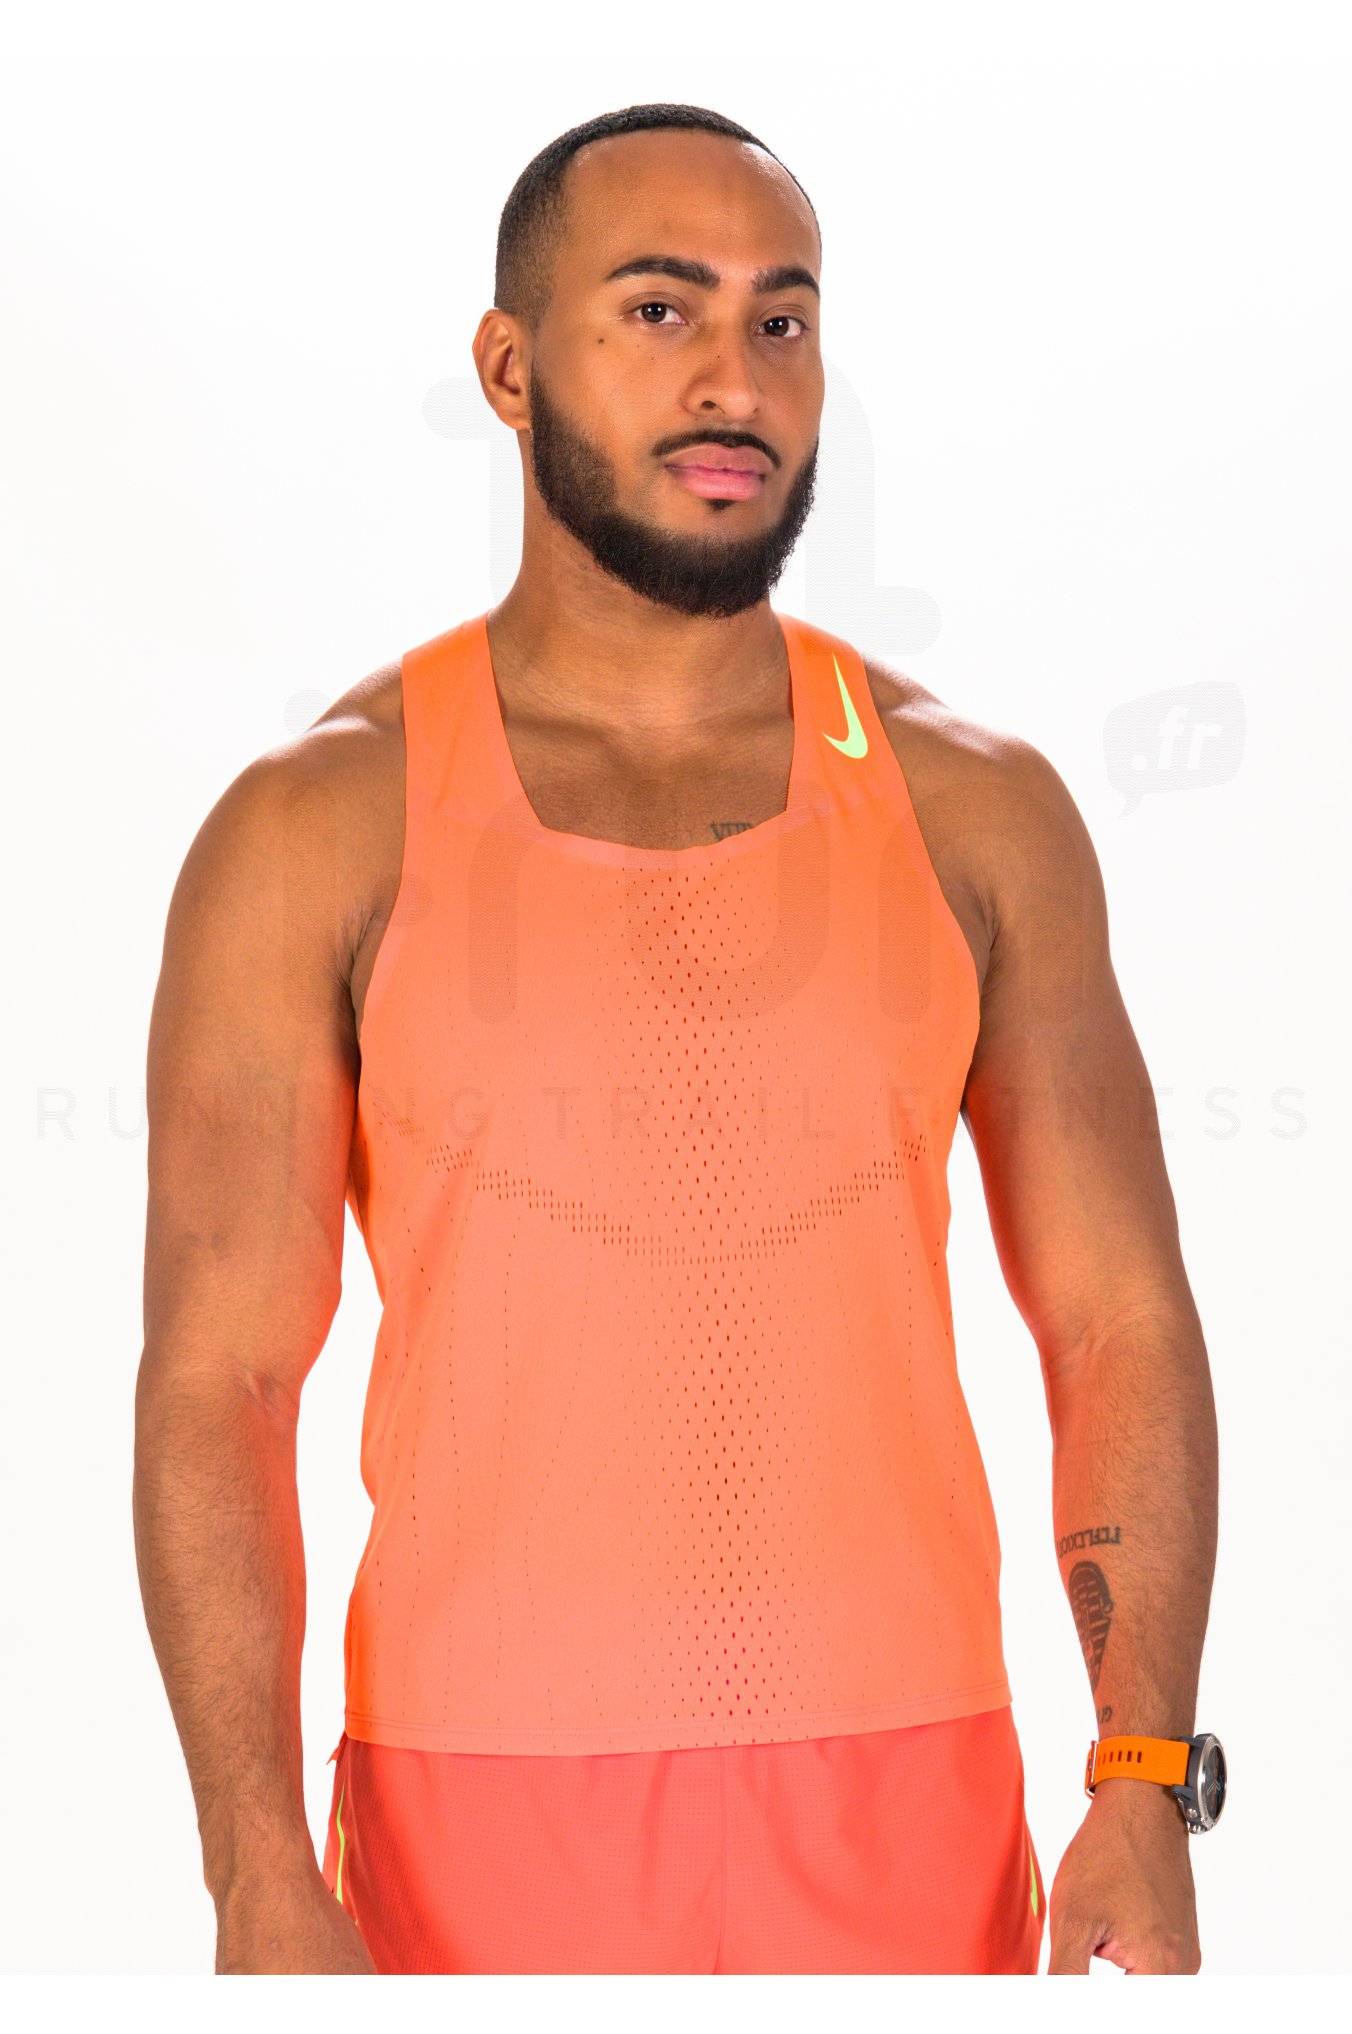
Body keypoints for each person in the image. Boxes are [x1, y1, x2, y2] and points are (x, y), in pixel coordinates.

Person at [133, 102, 1220, 1976]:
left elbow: (1117, 1317)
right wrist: (252, 1867)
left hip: (908, 1817)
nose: (735, 379)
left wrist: (1141, 1774)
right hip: (469, 1833)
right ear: (508, 368)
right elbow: (219, 1382)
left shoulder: (975, 810)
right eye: (659, 310)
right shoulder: (320, 825)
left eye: (781, 319)